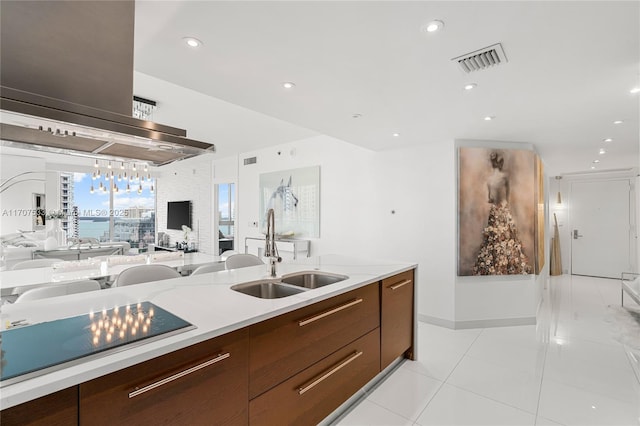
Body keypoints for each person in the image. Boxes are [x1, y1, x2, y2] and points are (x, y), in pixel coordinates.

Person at [472, 151, 532, 275]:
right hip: (503, 210)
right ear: (499, 163)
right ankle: (505, 266)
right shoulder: (504, 177)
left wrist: (496, 202)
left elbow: (490, 198)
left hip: (495, 211)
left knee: (495, 240)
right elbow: (507, 197)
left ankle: (499, 267)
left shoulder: (489, 180)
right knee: (506, 238)